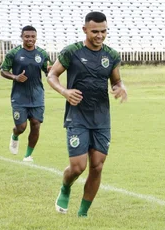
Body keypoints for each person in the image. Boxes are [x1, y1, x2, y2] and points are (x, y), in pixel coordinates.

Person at [47, 12, 127, 217]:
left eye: (103, 31)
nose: (100, 36)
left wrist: (120, 87)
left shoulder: (111, 55)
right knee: (78, 167)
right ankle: (65, 187)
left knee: (97, 166)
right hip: (77, 117)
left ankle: (82, 214)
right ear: (85, 30)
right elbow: (52, 75)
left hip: (101, 118)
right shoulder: (71, 52)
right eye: (95, 32)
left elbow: (116, 80)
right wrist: (65, 91)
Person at [0, 25, 51, 162]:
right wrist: (15, 77)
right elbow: (3, 71)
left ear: (36, 37)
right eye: (27, 36)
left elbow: (49, 72)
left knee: (36, 124)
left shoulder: (42, 54)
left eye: (33, 36)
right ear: (22, 37)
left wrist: (51, 71)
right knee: (21, 127)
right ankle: (15, 135)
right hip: (19, 96)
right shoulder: (14, 53)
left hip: (37, 96)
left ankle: (28, 155)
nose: (30, 39)